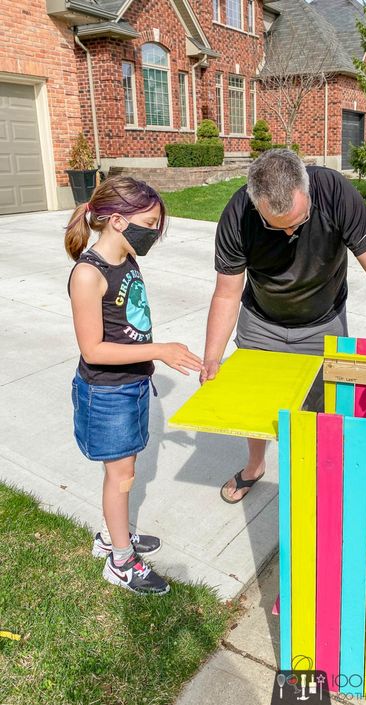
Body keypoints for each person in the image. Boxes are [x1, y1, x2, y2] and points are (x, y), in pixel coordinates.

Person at [200, 149, 366, 503]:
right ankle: (255, 465)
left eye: (298, 220)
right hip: (261, 319)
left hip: (324, 320)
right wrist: (212, 357)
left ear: (307, 189)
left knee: (321, 408)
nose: (290, 232)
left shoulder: (335, 192)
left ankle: (317, 476)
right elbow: (227, 294)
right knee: (259, 402)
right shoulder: (237, 214)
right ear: (255, 204)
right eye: (277, 227)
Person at [65, 176, 202, 594]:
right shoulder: (88, 275)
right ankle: (120, 561)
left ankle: (114, 533)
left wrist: (150, 355)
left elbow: (128, 323)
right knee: (120, 475)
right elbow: (93, 350)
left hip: (133, 386)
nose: (156, 232)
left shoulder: (126, 257)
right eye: (151, 222)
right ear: (119, 222)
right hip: (107, 393)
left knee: (126, 470)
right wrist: (159, 350)